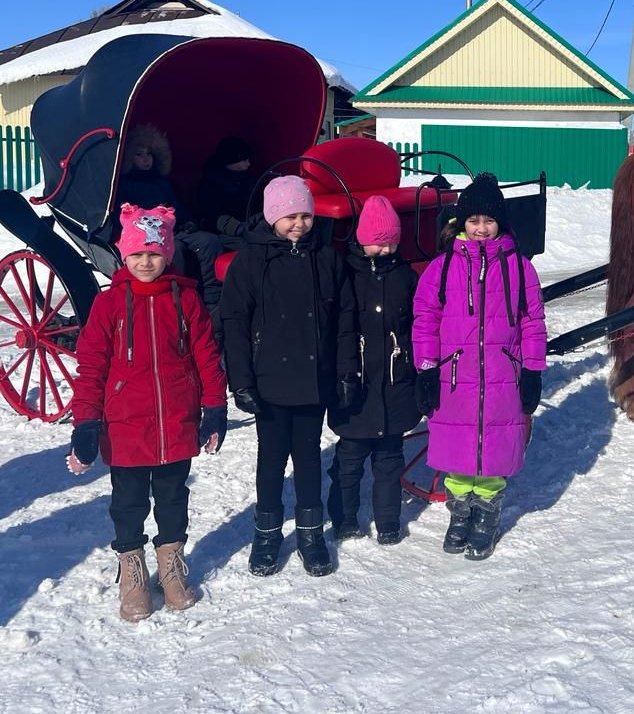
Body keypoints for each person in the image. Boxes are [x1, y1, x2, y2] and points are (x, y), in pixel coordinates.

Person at [67, 203, 228, 623]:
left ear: (168, 254)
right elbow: (91, 367)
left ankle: (171, 565)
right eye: (137, 253)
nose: (146, 262)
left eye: (154, 253)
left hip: (176, 420)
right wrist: (86, 422)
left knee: (174, 497)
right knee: (129, 502)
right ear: (124, 254)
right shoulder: (109, 305)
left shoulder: (185, 299)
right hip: (125, 426)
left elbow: (207, 357)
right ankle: (132, 571)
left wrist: (214, 406)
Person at [220, 175, 360, 577]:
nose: (299, 223)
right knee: (271, 459)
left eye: (305, 215)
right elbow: (234, 322)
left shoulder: (326, 257)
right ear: (272, 217)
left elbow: (345, 319)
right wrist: (241, 380)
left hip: (314, 378)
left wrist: (347, 370)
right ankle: (267, 534)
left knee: (309, 457)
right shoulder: (251, 261)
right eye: (289, 216)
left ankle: (310, 534)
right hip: (269, 381)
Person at [412, 173, 546, 561]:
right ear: (462, 224)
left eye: (489, 221)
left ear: (500, 223)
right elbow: (425, 319)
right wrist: (425, 369)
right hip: (454, 375)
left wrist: (533, 370)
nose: (482, 228)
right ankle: (460, 511)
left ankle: (486, 512)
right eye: (475, 221)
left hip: (503, 375)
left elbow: (533, 322)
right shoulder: (442, 267)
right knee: (457, 448)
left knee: (493, 447)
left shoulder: (520, 268)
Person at [326, 196, 421, 545]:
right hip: (357, 389)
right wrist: (344, 375)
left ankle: (388, 522)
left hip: (395, 386)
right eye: (377, 242)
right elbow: (340, 331)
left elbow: (415, 326)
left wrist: (414, 364)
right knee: (349, 463)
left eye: (390, 242)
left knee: (389, 462)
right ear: (361, 240)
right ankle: (345, 518)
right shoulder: (346, 275)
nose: (384, 248)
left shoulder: (404, 277)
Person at [118, 124, 223, 308]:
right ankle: (177, 300)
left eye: (149, 154)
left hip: (173, 228)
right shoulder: (125, 185)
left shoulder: (161, 183)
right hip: (145, 235)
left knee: (209, 242)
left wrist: (187, 220)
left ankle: (212, 300)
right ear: (128, 157)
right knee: (176, 251)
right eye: (139, 154)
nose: (146, 159)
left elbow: (175, 207)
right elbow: (124, 215)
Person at [197, 135, 259, 247]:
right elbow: (211, 215)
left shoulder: (249, 179)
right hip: (223, 232)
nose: (248, 164)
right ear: (233, 159)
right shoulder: (211, 183)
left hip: (249, 227)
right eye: (244, 160)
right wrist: (235, 227)